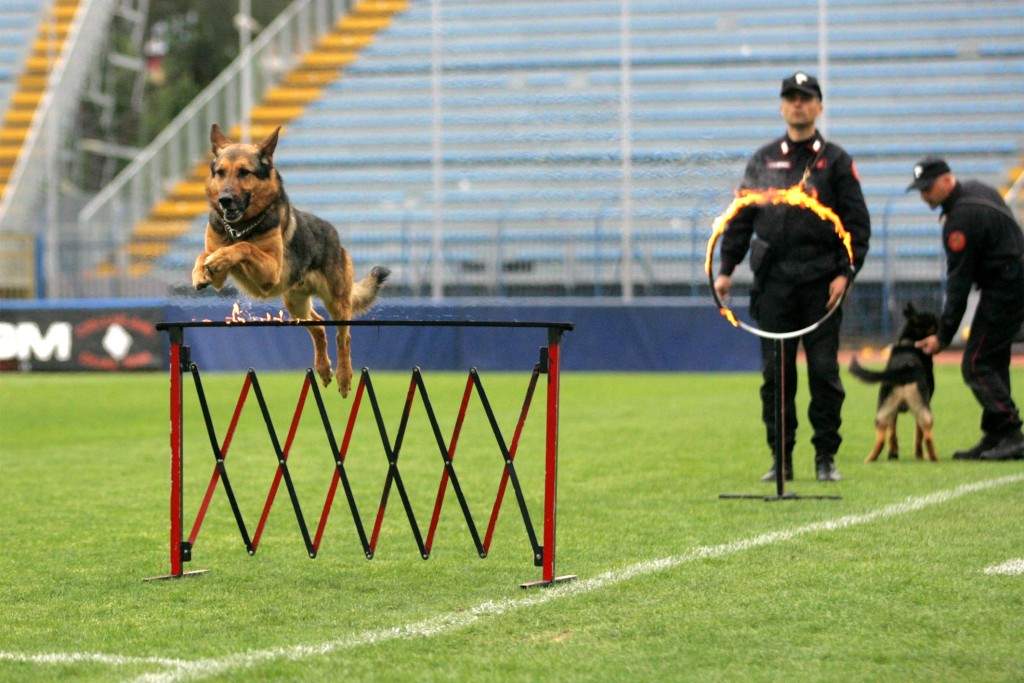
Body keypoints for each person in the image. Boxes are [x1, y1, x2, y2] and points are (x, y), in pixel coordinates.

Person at [713, 72, 871, 482]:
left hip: (821, 282)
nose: (798, 104)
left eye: (806, 97)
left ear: (819, 106)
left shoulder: (836, 160)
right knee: (776, 376)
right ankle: (780, 461)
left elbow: (856, 225)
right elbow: (740, 218)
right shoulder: (764, 159)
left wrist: (845, 274)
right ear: (782, 106)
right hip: (774, 285)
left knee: (823, 373)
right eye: (791, 98)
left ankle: (825, 459)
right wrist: (726, 270)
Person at [909, 157, 1024, 461]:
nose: (924, 195)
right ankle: (997, 434)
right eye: (920, 190)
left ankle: (1011, 431)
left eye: (928, 187)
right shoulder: (979, 190)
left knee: (975, 363)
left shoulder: (960, 220)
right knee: (993, 358)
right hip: (1012, 280)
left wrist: (943, 336)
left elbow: (958, 286)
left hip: (1008, 286)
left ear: (947, 180)